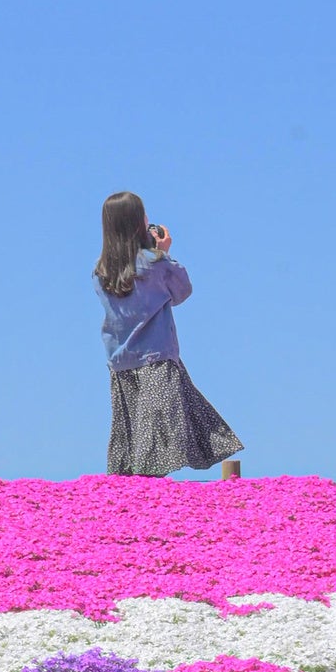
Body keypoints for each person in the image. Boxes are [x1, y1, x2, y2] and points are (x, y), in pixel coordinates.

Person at [94, 192, 244, 476]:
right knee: (157, 441)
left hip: (121, 363)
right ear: (137, 224)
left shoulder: (101, 273)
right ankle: (151, 494)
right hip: (156, 358)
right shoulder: (155, 263)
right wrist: (162, 252)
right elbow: (181, 292)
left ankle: (130, 492)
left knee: (134, 438)